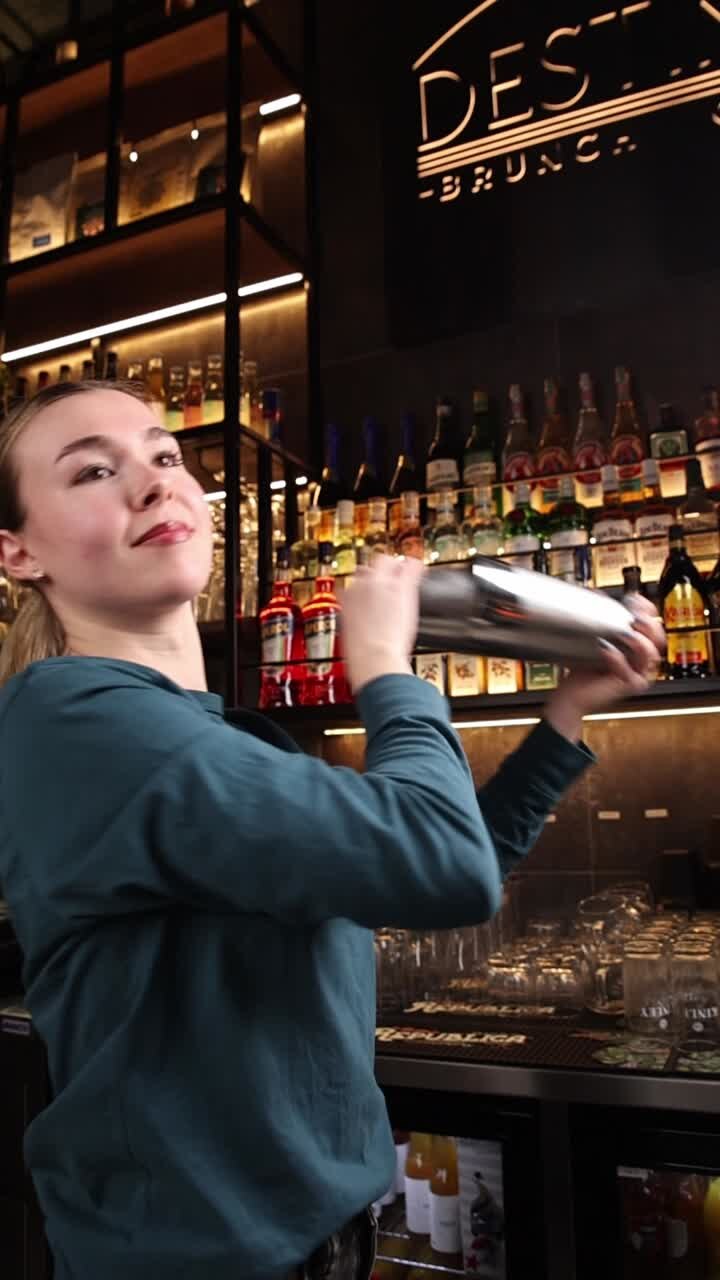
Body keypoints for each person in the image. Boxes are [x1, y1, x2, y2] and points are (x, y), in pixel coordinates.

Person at [0, 382, 662, 1280]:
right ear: (18, 551)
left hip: (319, 1239)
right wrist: (383, 666)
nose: (155, 484)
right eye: (92, 472)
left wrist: (568, 712)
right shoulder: (77, 721)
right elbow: (441, 862)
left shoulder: (202, 732)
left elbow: (428, 872)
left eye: (165, 456)